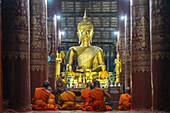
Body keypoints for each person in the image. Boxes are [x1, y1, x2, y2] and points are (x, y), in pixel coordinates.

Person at [66, 10, 106, 75]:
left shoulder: (97, 50)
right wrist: (68, 68)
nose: (85, 33)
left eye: (88, 31)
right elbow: (68, 67)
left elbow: (102, 67)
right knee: (67, 75)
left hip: (91, 73)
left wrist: (91, 70)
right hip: (79, 73)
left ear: (92, 34)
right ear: (78, 34)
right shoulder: (73, 49)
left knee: (101, 74)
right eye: (82, 31)